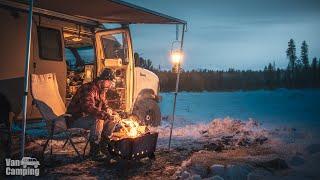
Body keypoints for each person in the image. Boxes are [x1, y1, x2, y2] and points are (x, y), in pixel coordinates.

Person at [66, 68, 115, 157]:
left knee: (113, 119)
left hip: (88, 119)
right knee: (98, 118)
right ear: (102, 80)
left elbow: (105, 106)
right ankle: (94, 150)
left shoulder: (102, 91)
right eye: (109, 82)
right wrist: (103, 114)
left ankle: (104, 145)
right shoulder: (88, 88)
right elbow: (88, 107)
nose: (110, 85)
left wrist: (109, 111)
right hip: (75, 119)